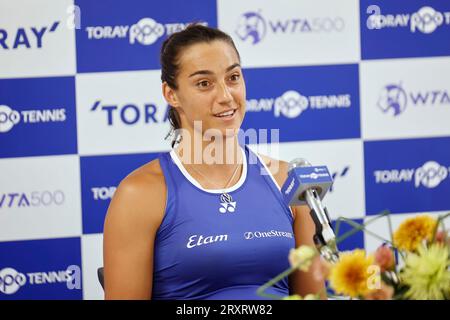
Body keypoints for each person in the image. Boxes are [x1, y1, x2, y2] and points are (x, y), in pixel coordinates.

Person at [103, 24, 326, 300]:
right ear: (171, 94)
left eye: (233, 77)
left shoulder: (285, 178)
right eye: (204, 83)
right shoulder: (139, 194)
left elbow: (312, 297)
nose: (225, 96)